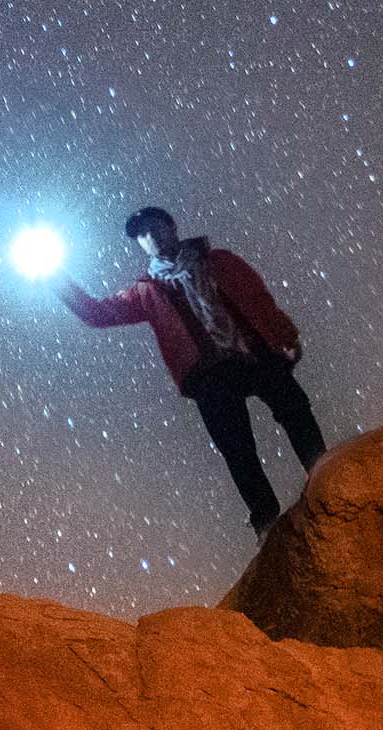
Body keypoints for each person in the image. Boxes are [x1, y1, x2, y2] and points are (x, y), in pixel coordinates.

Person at [59, 206, 327, 532]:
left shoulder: (219, 261)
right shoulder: (146, 291)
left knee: (295, 410)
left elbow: (257, 296)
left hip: (253, 351)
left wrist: (284, 333)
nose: (150, 236)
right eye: (142, 235)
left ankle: (326, 477)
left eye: (155, 227)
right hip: (207, 375)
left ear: (171, 227)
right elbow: (97, 314)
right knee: (237, 449)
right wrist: (55, 279)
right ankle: (267, 522)